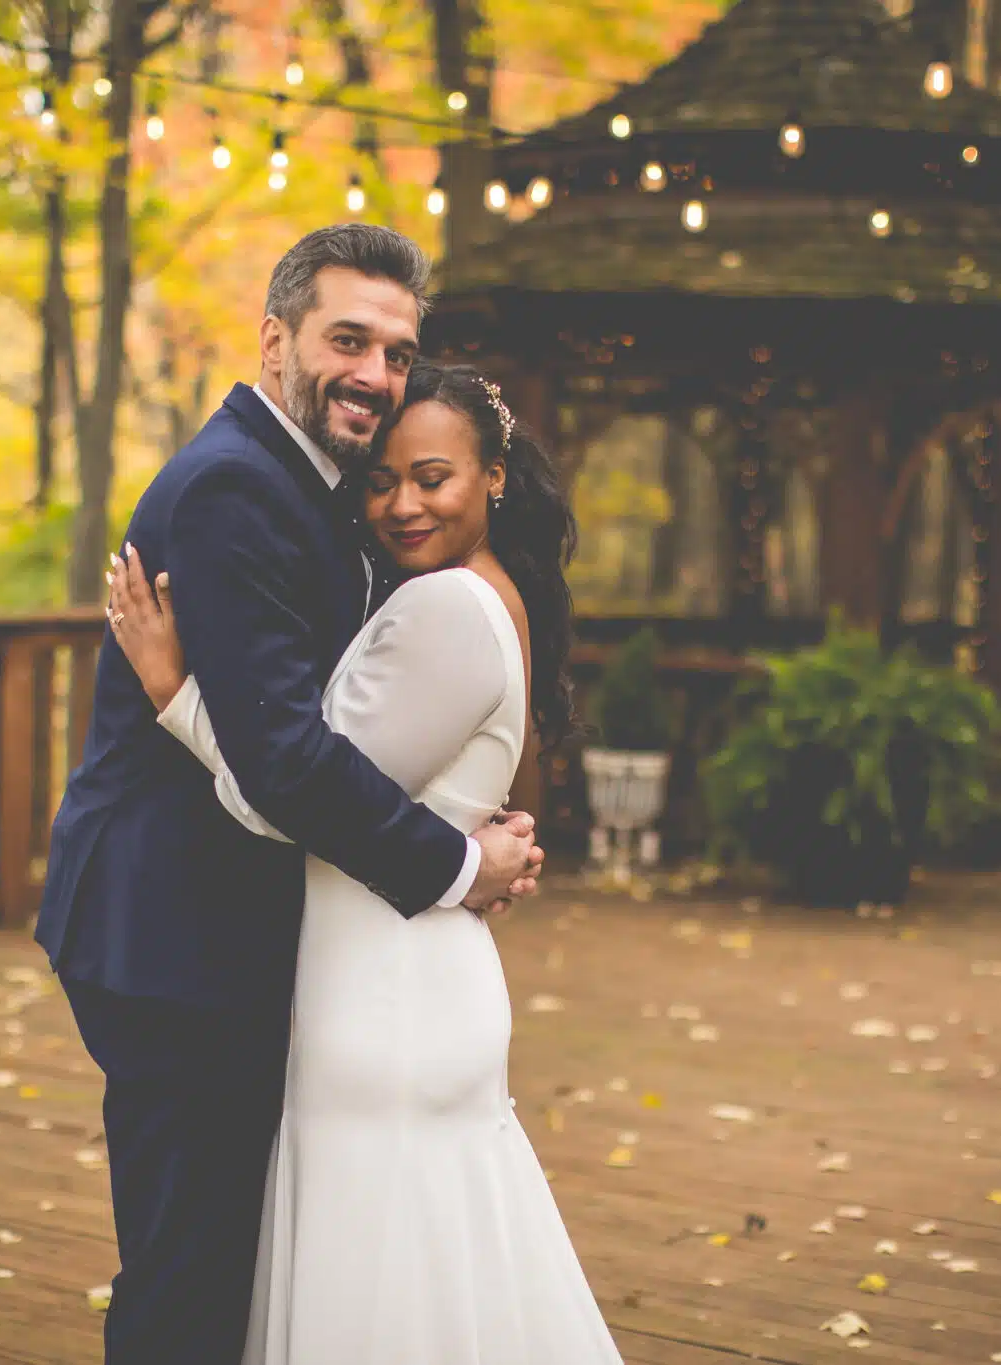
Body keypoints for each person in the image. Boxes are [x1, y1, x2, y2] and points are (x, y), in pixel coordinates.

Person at [33, 224, 546, 1364]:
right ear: (275, 339)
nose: (374, 373)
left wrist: (459, 818)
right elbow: (288, 765)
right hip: (170, 934)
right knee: (188, 1270)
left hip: (225, 930)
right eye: (347, 340)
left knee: (221, 1260)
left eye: (397, 352)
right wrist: (457, 866)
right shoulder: (234, 489)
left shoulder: (310, 484)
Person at [105, 358, 623, 1363]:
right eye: (378, 481)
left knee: (385, 1290)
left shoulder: (443, 612)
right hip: (404, 978)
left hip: (390, 1000)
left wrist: (176, 695)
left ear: (495, 477)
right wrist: (466, 859)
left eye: (432, 477)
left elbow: (284, 794)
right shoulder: (477, 594)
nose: (400, 504)